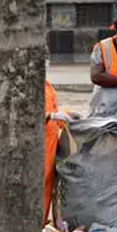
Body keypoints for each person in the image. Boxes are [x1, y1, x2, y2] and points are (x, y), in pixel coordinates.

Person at [43, 80, 75, 221]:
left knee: (46, 189)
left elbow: (55, 113)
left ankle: (41, 225)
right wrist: (50, 116)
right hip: (35, 148)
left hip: (50, 147)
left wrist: (68, 117)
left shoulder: (47, 86)